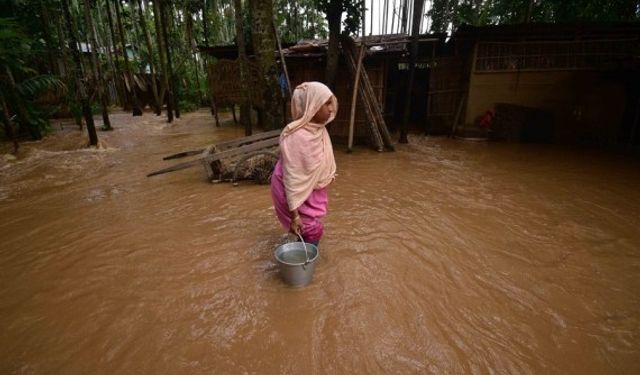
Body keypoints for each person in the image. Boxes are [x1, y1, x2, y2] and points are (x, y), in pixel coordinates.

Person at [271, 81, 338, 246]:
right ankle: (305, 260)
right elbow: (292, 178)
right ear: (312, 106)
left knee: (307, 225)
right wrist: (294, 216)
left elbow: (318, 163)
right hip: (289, 186)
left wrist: (326, 174)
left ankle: (297, 244)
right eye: (326, 103)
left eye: (331, 103)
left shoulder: (318, 129)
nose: (331, 108)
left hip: (308, 186)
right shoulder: (297, 136)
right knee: (311, 229)